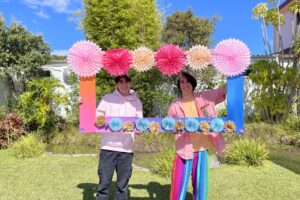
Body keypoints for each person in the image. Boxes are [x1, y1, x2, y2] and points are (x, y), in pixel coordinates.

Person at [80, 74, 143, 200]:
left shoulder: (136, 101)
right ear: (116, 83)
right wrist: (83, 104)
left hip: (126, 150)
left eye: (126, 81)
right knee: (103, 186)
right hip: (108, 148)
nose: (124, 85)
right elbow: (96, 119)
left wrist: (140, 128)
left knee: (122, 188)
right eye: (121, 81)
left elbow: (140, 124)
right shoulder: (107, 98)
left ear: (130, 83)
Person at [167, 72, 226, 200]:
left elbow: (223, 90)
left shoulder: (203, 98)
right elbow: (168, 126)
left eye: (188, 81)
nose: (185, 85)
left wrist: (235, 73)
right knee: (177, 190)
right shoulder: (174, 106)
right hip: (183, 151)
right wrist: (175, 127)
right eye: (182, 82)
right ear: (179, 85)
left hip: (201, 150)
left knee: (201, 190)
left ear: (193, 83)